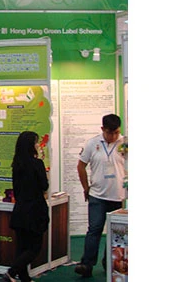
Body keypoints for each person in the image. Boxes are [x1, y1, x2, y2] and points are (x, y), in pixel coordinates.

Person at [74, 114, 126, 278]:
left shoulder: (125, 144)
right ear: (103, 129)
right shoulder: (92, 143)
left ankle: (109, 262)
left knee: (115, 233)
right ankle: (86, 264)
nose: (113, 136)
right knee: (94, 229)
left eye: (116, 132)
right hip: (97, 195)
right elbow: (81, 166)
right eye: (110, 133)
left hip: (117, 196)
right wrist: (86, 188)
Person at [3, 131, 49, 282]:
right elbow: (44, 185)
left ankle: (24, 277)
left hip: (20, 210)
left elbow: (16, 189)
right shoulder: (37, 164)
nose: (38, 145)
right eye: (36, 142)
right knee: (34, 247)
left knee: (22, 246)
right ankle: (11, 272)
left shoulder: (16, 165)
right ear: (31, 146)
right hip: (35, 210)